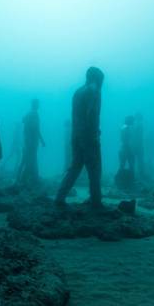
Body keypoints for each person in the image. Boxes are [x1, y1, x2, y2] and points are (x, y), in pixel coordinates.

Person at [55, 67, 104, 209]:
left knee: (75, 167)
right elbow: (92, 114)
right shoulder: (94, 91)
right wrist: (94, 134)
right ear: (97, 78)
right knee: (95, 169)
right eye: (101, 79)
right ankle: (96, 201)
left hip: (76, 135)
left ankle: (59, 198)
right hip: (88, 136)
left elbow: (77, 116)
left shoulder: (78, 91)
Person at [18, 99, 46, 187]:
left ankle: (26, 178)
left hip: (27, 140)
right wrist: (42, 140)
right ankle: (25, 179)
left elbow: (23, 120)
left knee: (28, 159)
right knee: (31, 159)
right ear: (36, 105)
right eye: (38, 104)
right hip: (32, 141)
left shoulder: (28, 114)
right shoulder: (34, 114)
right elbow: (35, 128)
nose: (39, 105)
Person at [132, 113, 145, 177]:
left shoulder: (135, 125)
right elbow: (138, 136)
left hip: (136, 145)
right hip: (138, 146)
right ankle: (140, 174)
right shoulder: (138, 125)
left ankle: (136, 174)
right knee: (139, 160)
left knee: (136, 160)